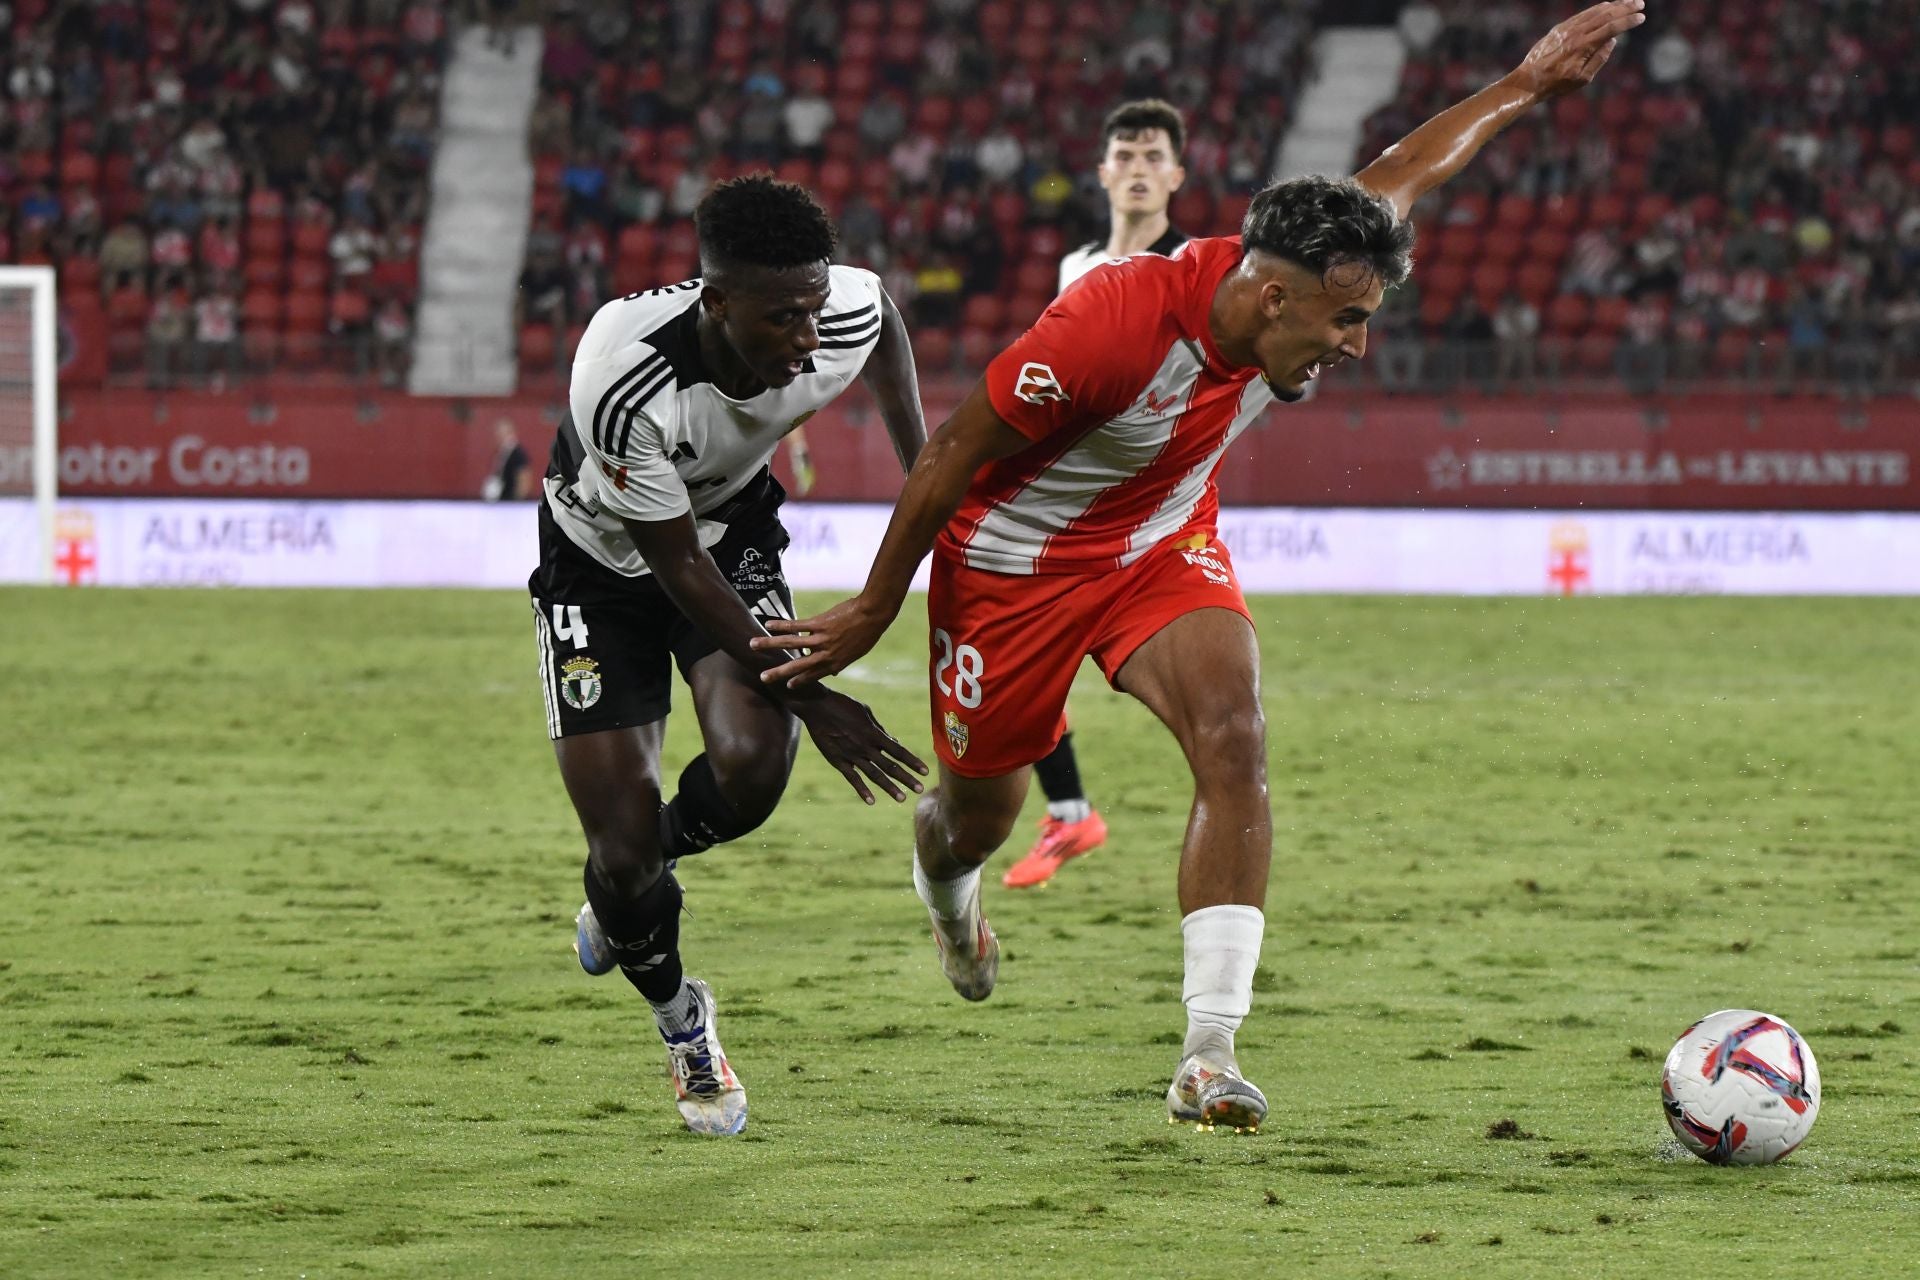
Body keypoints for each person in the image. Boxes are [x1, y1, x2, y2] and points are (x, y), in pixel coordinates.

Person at [750, 2, 1644, 1133]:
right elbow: (948, 454)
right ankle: (950, 892)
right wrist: (878, 604)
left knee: (1237, 735)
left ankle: (1208, 1052)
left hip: (1162, 541)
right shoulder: (1109, 326)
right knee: (975, 816)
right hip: (1013, 569)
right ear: (1276, 296)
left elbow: (1413, 166)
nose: (1356, 344)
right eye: (1345, 320)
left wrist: (1527, 83)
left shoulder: (1304, 273)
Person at [538, 175, 931, 1136]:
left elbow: (879, 322)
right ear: (715, 302)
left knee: (751, 772)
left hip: (731, 533)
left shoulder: (834, 310)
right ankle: (684, 1025)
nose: (807, 337)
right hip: (603, 563)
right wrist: (817, 698)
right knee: (623, 846)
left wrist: (925, 467)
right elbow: (670, 568)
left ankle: (626, 885)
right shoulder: (622, 377)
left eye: (811, 308)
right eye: (781, 317)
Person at [1003, 98, 1192, 891]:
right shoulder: (1075, 267)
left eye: (1155, 157)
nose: (1140, 169)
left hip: (1146, 507)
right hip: (1071, 500)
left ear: (1177, 175)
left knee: (1198, 698)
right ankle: (1073, 813)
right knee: (1023, 667)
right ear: (1104, 171)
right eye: (1127, 155)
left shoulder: (1195, 267)